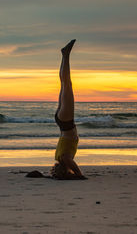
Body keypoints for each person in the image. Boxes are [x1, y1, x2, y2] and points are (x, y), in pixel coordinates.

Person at [51, 39, 86, 180]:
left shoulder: (65, 159)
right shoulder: (59, 157)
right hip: (62, 123)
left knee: (67, 83)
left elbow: (74, 168)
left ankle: (65, 55)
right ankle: (65, 55)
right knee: (64, 83)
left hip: (67, 123)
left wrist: (77, 174)